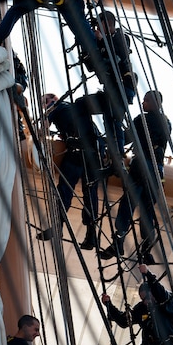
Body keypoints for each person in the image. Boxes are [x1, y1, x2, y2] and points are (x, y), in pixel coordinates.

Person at [100, 90, 170, 263]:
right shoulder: (167, 122)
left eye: (145, 101)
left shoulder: (143, 119)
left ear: (153, 103)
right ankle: (146, 251)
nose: (142, 103)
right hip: (158, 173)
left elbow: (127, 137)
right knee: (147, 213)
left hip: (141, 166)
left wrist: (116, 127)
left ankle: (118, 244)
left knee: (127, 206)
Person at [37, 93, 107, 250]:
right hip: (95, 153)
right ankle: (91, 236)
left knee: (64, 190)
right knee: (91, 195)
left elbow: (43, 129)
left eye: (44, 102)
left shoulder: (56, 107)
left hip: (76, 153)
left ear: (52, 100)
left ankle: (58, 227)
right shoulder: (75, 108)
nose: (44, 107)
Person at [80, 9, 136, 156]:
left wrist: (101, 40)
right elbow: (93, 66)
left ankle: (117, 155)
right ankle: (94, 140)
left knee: (114, 121)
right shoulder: (104, 41)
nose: (98, 30)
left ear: (107, 23)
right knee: (81, 105)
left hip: (122, 87)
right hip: (110, 89)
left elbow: (117, 56)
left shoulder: (121, 37)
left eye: (99, 26)